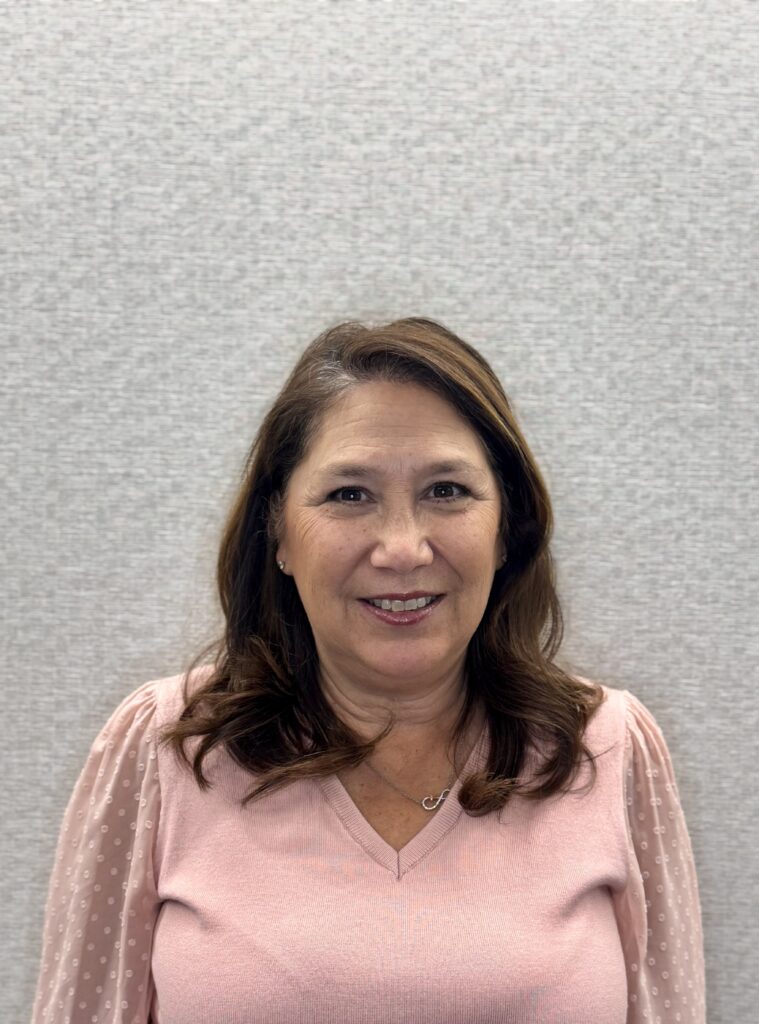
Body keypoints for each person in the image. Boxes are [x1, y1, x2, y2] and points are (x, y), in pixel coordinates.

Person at [29, 317, 706, 1023]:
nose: (403, 548)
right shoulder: (166, 747)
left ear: (507, 527)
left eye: (446, 490)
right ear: (278, 531)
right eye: (349, 495)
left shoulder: (608, 748)